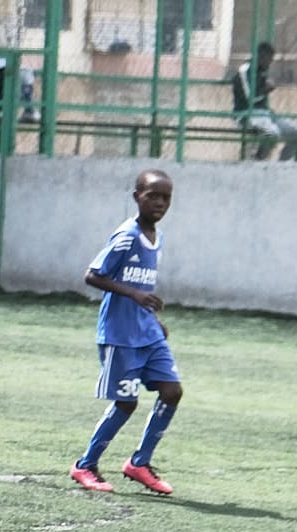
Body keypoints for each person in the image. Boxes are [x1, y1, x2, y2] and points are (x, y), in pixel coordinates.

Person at [70, 169, 181, 497]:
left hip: (147, 332)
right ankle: (86, 465)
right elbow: (93, 275)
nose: (159, 203)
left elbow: (140, 284)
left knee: (172, 391)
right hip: (120, 336)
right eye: (152, 196)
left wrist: (151, 317)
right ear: (137, 197)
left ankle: (139, 463)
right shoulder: (126, 236)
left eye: (165, 198)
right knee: (126, 402)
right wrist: (134, 295)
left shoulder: (157, 238)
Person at [232, 42, 297, 161]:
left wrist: (266, 88)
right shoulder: (245, 71)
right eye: (269, 59)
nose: (270, 63)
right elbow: (250, 98)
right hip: (246, 115)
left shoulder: (262, 71)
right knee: (272, 134)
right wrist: (266, 89)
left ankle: (282, 165)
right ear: (261, 57)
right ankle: (257, 161)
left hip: (266, 115)